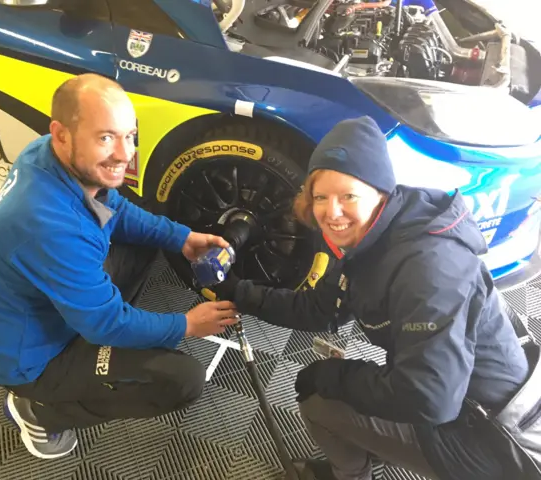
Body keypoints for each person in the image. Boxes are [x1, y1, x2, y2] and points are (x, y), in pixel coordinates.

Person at [208, 116, 532, 480]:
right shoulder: (371, 236)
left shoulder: (428, 268)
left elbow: (430, 398)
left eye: (348, 195)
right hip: (455, 396)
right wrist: (237, 291)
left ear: (380, 191)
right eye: (320, 197)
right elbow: (320, 309)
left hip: (490, 440)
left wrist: (337, 377)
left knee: (320, 402)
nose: (331, 212)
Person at [0, 73, 239, 460]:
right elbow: (106, 324)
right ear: (61, 134)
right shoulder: (48, 224)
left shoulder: (48, 156)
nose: (125, 154)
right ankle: (39, 412)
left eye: (129, 136)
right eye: (106, 137)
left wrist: (181, 237)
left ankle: (92, 331)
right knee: (181, 380)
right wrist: (186, 326)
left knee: (149, 240)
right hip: (32, 360)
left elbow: (112, 208)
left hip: (44, 310)